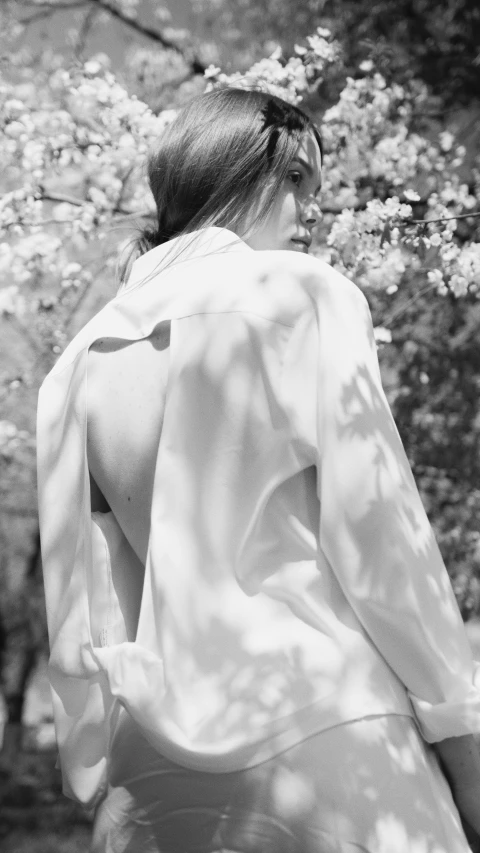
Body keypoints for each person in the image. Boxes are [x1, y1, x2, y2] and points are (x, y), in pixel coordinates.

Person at [37, 87, 480, 853]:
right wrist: (463, 736)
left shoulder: (73, 369)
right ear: (241, 173)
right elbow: (381, 540)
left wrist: (100, 763)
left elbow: (92, 595)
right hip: (328, 737)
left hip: (149, 776)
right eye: (299, 183)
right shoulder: (300, 293)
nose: (311, 213)